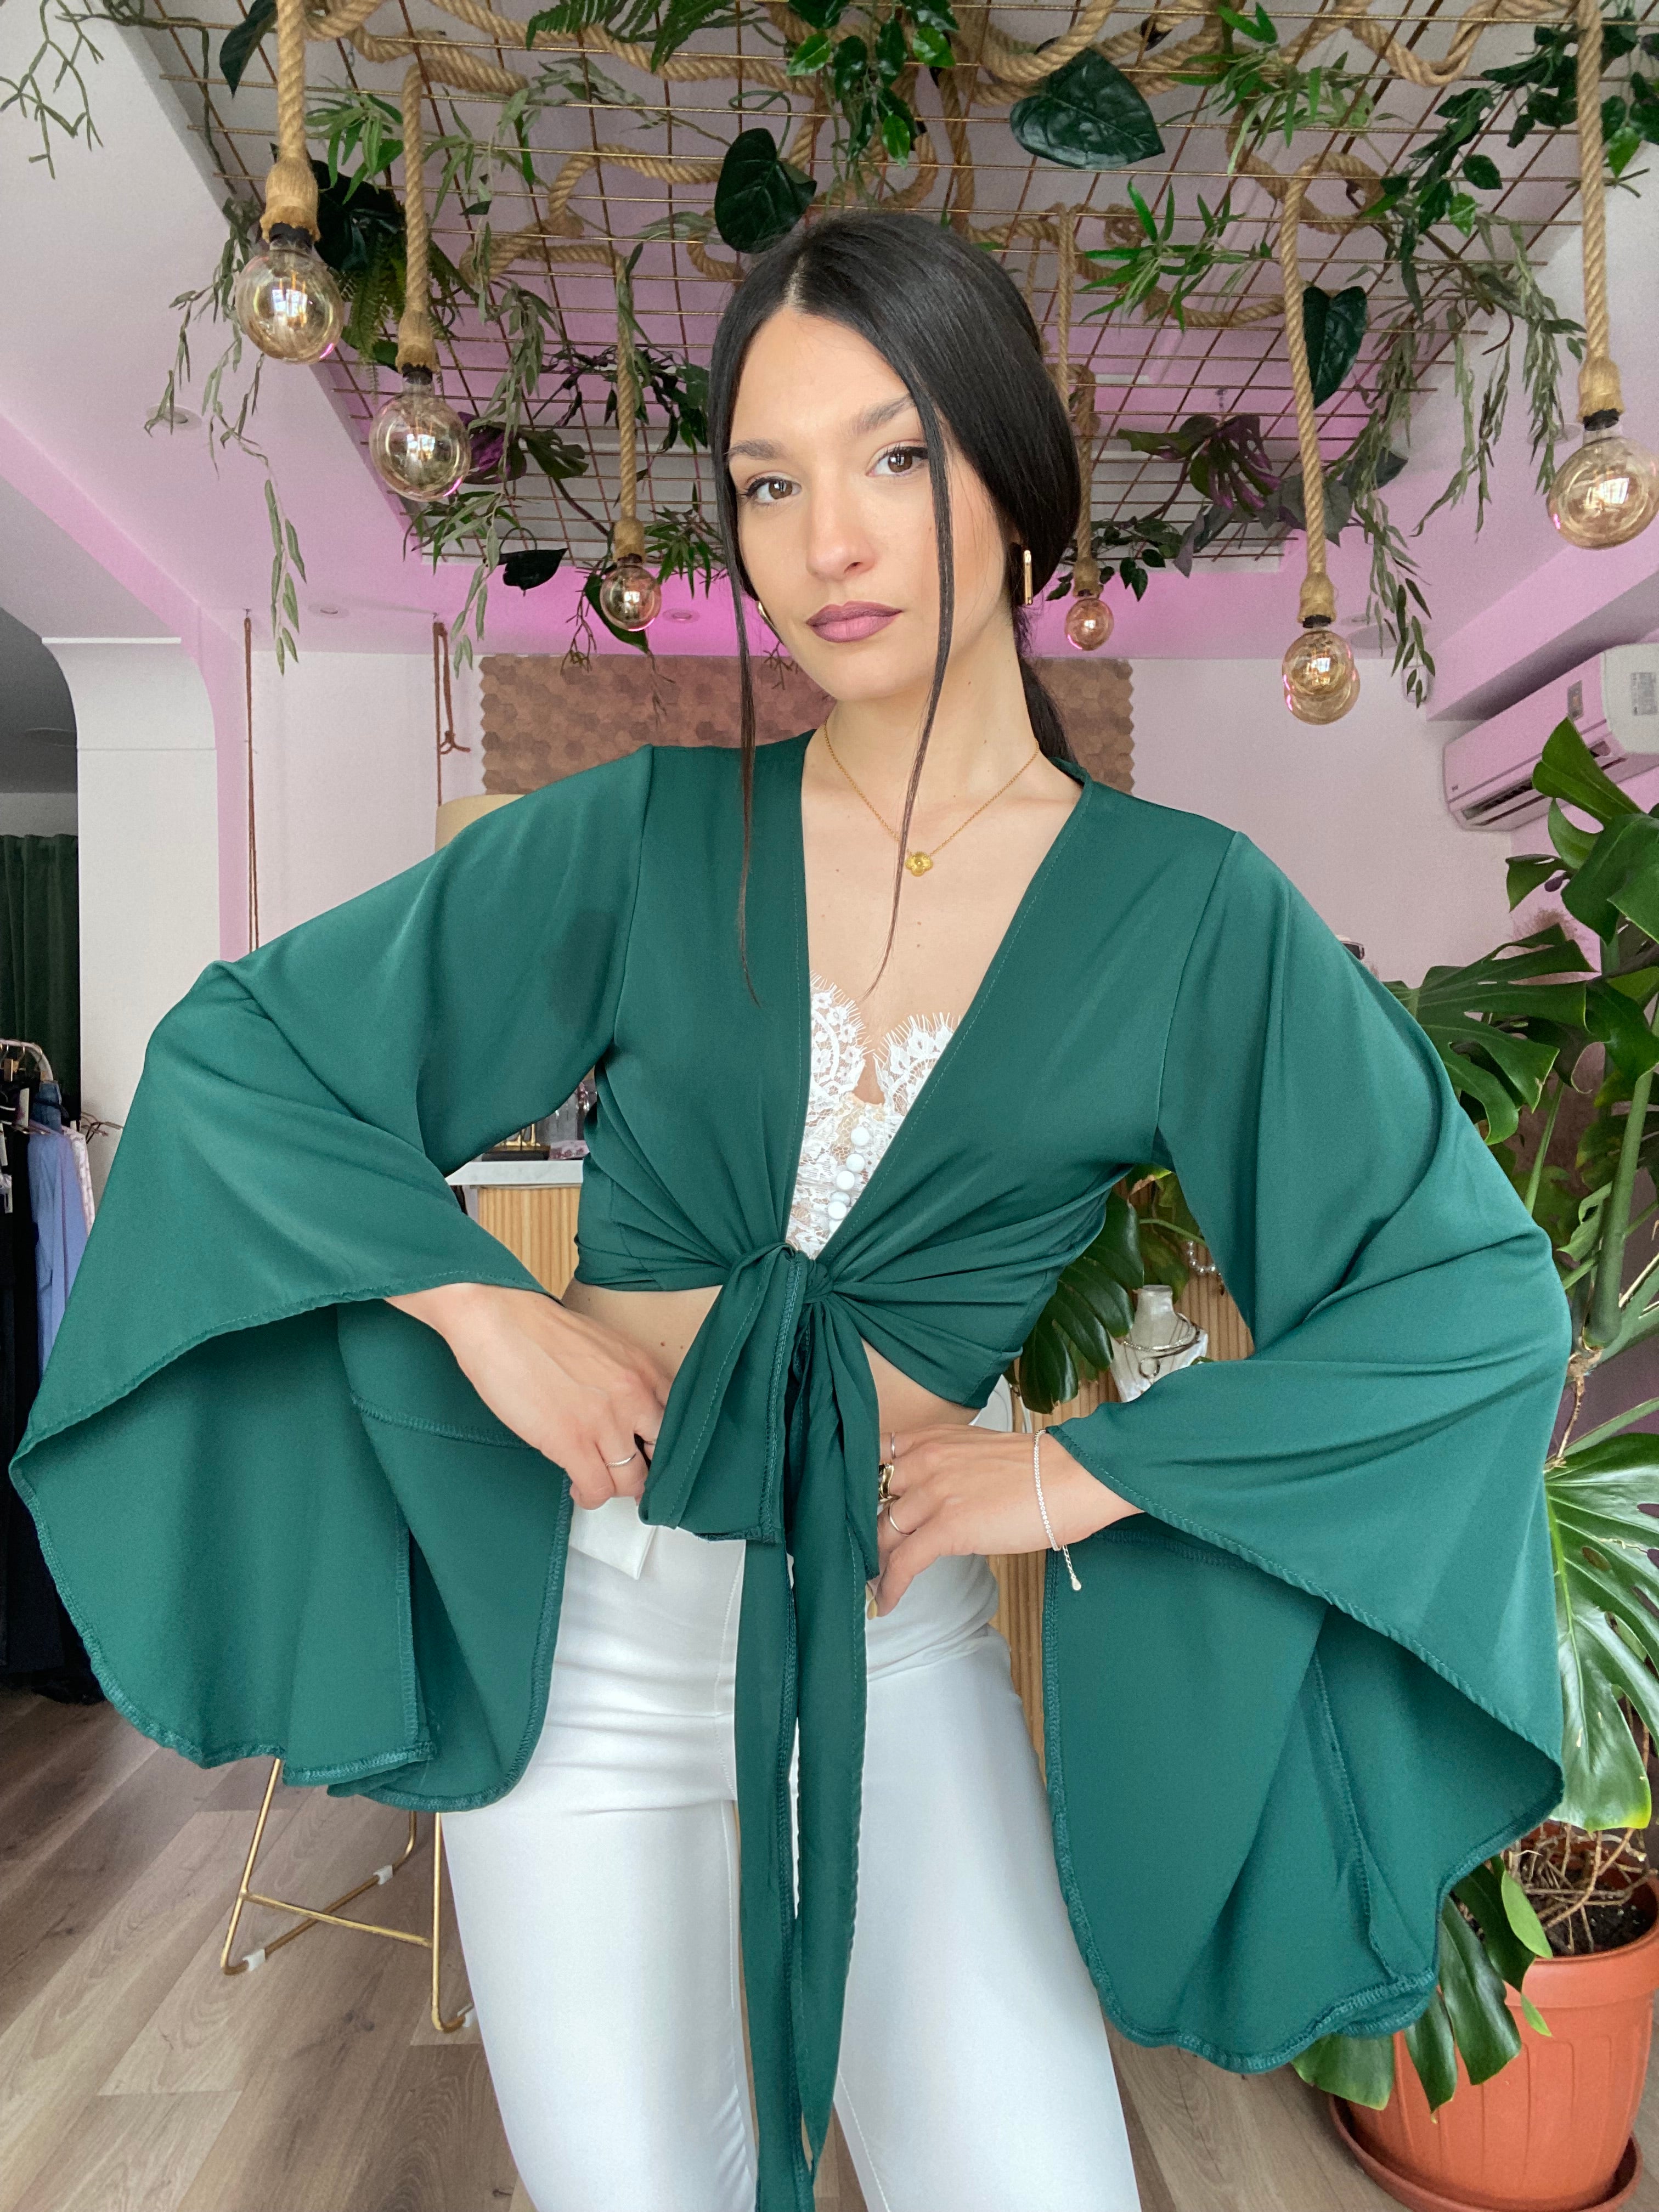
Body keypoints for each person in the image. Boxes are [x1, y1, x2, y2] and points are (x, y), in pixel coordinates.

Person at [11, 212, 1571, 2212]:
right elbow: (244, 1055)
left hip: (903, 1659)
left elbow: (1467, 1304)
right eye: (768, 481)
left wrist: (1073, 1473)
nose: (829, 537)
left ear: (1018, 478)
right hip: (586, 1665)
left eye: (895, 455)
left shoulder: (1192, 916)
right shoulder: (645, 838)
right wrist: (482, 1307)